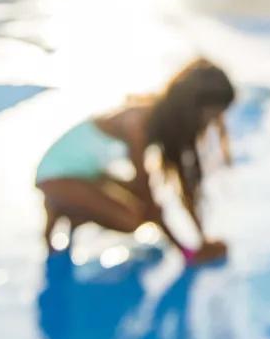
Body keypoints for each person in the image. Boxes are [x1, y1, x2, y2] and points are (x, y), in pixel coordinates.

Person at [36, 58, 234, 265]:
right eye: (211, 114)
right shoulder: (139, 123)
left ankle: (71, 205)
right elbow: (146, 192)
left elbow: (184, 186)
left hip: (89, 174)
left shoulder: (166, 124)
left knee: (142, 211)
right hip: (54, 173)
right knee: (132, 219)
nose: (212, 122)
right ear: (192, 107)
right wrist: (186, 251)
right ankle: (62, 206)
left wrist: (200, 242)